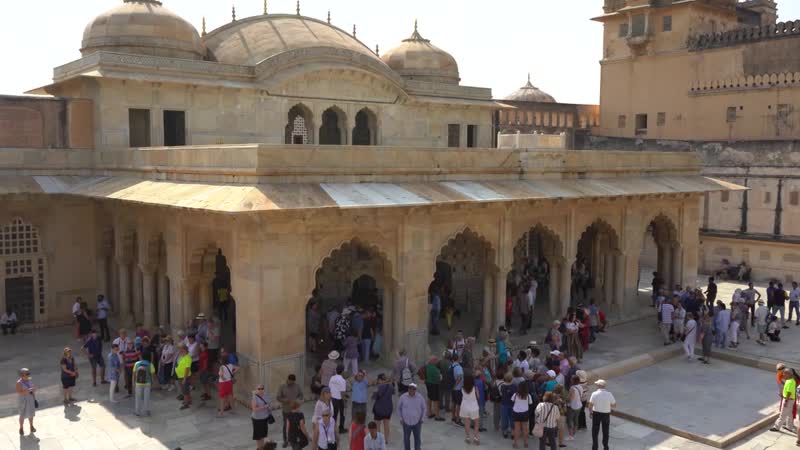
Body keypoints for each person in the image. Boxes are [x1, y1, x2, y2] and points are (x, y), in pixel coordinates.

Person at [278, 374, 305, 448]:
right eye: (290, 381)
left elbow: (301, 395)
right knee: (286, 426)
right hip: (286, 410)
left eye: (293, 382)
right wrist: (286, 400)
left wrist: (298, 400)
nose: (291, 383)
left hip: (295, 410)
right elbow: (278, 397)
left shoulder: (297, 386)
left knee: (296, 426)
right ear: (288, 379)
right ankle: (286, 441)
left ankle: (295, 440)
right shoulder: (282, 386)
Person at [588, 379, 616, 450]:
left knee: (595, 432)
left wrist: (590, 412)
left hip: (596, 414)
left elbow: (590, 405)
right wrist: (609, 408)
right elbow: (614, 405)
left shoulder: (594, 394)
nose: (596, 385)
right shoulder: (609, 394)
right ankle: (605, 447)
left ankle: (595, 448)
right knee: (605, 431)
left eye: (597, 384)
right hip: (606, 414)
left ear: (599, 385)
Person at [397, 383, 426, 450]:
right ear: (408, 389)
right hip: (406, 422)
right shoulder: (403, 397)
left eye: (413, 389)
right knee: (406, 439)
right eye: (410, 388)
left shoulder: (420, 397)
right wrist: (401, 418)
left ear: (415, 390)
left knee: (417, 439)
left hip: (417, 422)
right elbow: (399, 408)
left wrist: (422, 418)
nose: (412, 390)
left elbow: (424, 408)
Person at [771, 368, 797, 433]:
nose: (783, 374)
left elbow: (789, 392)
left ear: (790, 374)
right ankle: (789, 426)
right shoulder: (790, 380)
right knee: (789, 414)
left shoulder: (790, 382)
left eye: (785, 373)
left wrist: (786, 401)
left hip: (788, 400)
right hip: (790, 400)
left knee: (782, 414)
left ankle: (777, 427)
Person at [511, 380, 533, 448]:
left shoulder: (515, 395)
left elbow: (512, 401)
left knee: (516, 429)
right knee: (525, 429)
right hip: (525, 413)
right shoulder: (528, 396)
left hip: (516, 413)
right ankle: (525, 443)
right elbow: (530, 403)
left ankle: (515, 444)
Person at [460, 375, 480, 445]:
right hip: (474, 407)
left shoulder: (462, 388)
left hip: (465, 407)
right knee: (476, 424)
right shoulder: (475, 388)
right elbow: (478, 397)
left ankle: (468, 437)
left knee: (467, 424)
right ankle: (476, 438)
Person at [16, 368, 36, 436]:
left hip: (30, 399)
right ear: (22, 375)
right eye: (27, 374)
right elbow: (19, 392)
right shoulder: (19, 383)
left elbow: (33, 388)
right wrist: (29, 390)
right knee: (22, 415)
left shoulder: (29, 380)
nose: (28, 375)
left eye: (29, 373)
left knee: (31, 413)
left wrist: (33, 390)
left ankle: (31, 426)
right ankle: (21, 428)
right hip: (23, 401)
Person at [252, 384, 272, 449]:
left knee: (263, 434)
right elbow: (254, 409)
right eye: (259, 389)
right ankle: (258, 448)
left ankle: (262, 447)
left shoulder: (266, 396)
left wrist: (267, 407)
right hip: (257, 419)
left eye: (262, 388)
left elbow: (269, 404)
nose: (260, 390)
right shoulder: (255, 397)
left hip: (265, 418)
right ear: (256, 390)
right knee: (258, 436)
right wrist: (264, 407)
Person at [329, 365, 348, 433]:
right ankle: (341, 428)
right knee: (342, 414)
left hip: (332, 398)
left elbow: (330, 387)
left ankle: (332, 429)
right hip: (339, 399)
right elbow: (342, 393)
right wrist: (345, 401)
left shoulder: (332, 378)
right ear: (342, 371)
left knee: (334, 415)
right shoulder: (342, 380)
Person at [175, 343, 193, 410]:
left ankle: (186, 404)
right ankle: (189, 401)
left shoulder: (187, 358)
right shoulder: (183, 356)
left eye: (180, 349)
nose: (179, 351)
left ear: (184, 350)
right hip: (181, 376)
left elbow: (187, 369)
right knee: (185, 390)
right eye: (179, 349)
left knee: (185, 391)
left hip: (184, 377)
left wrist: (184, 379)